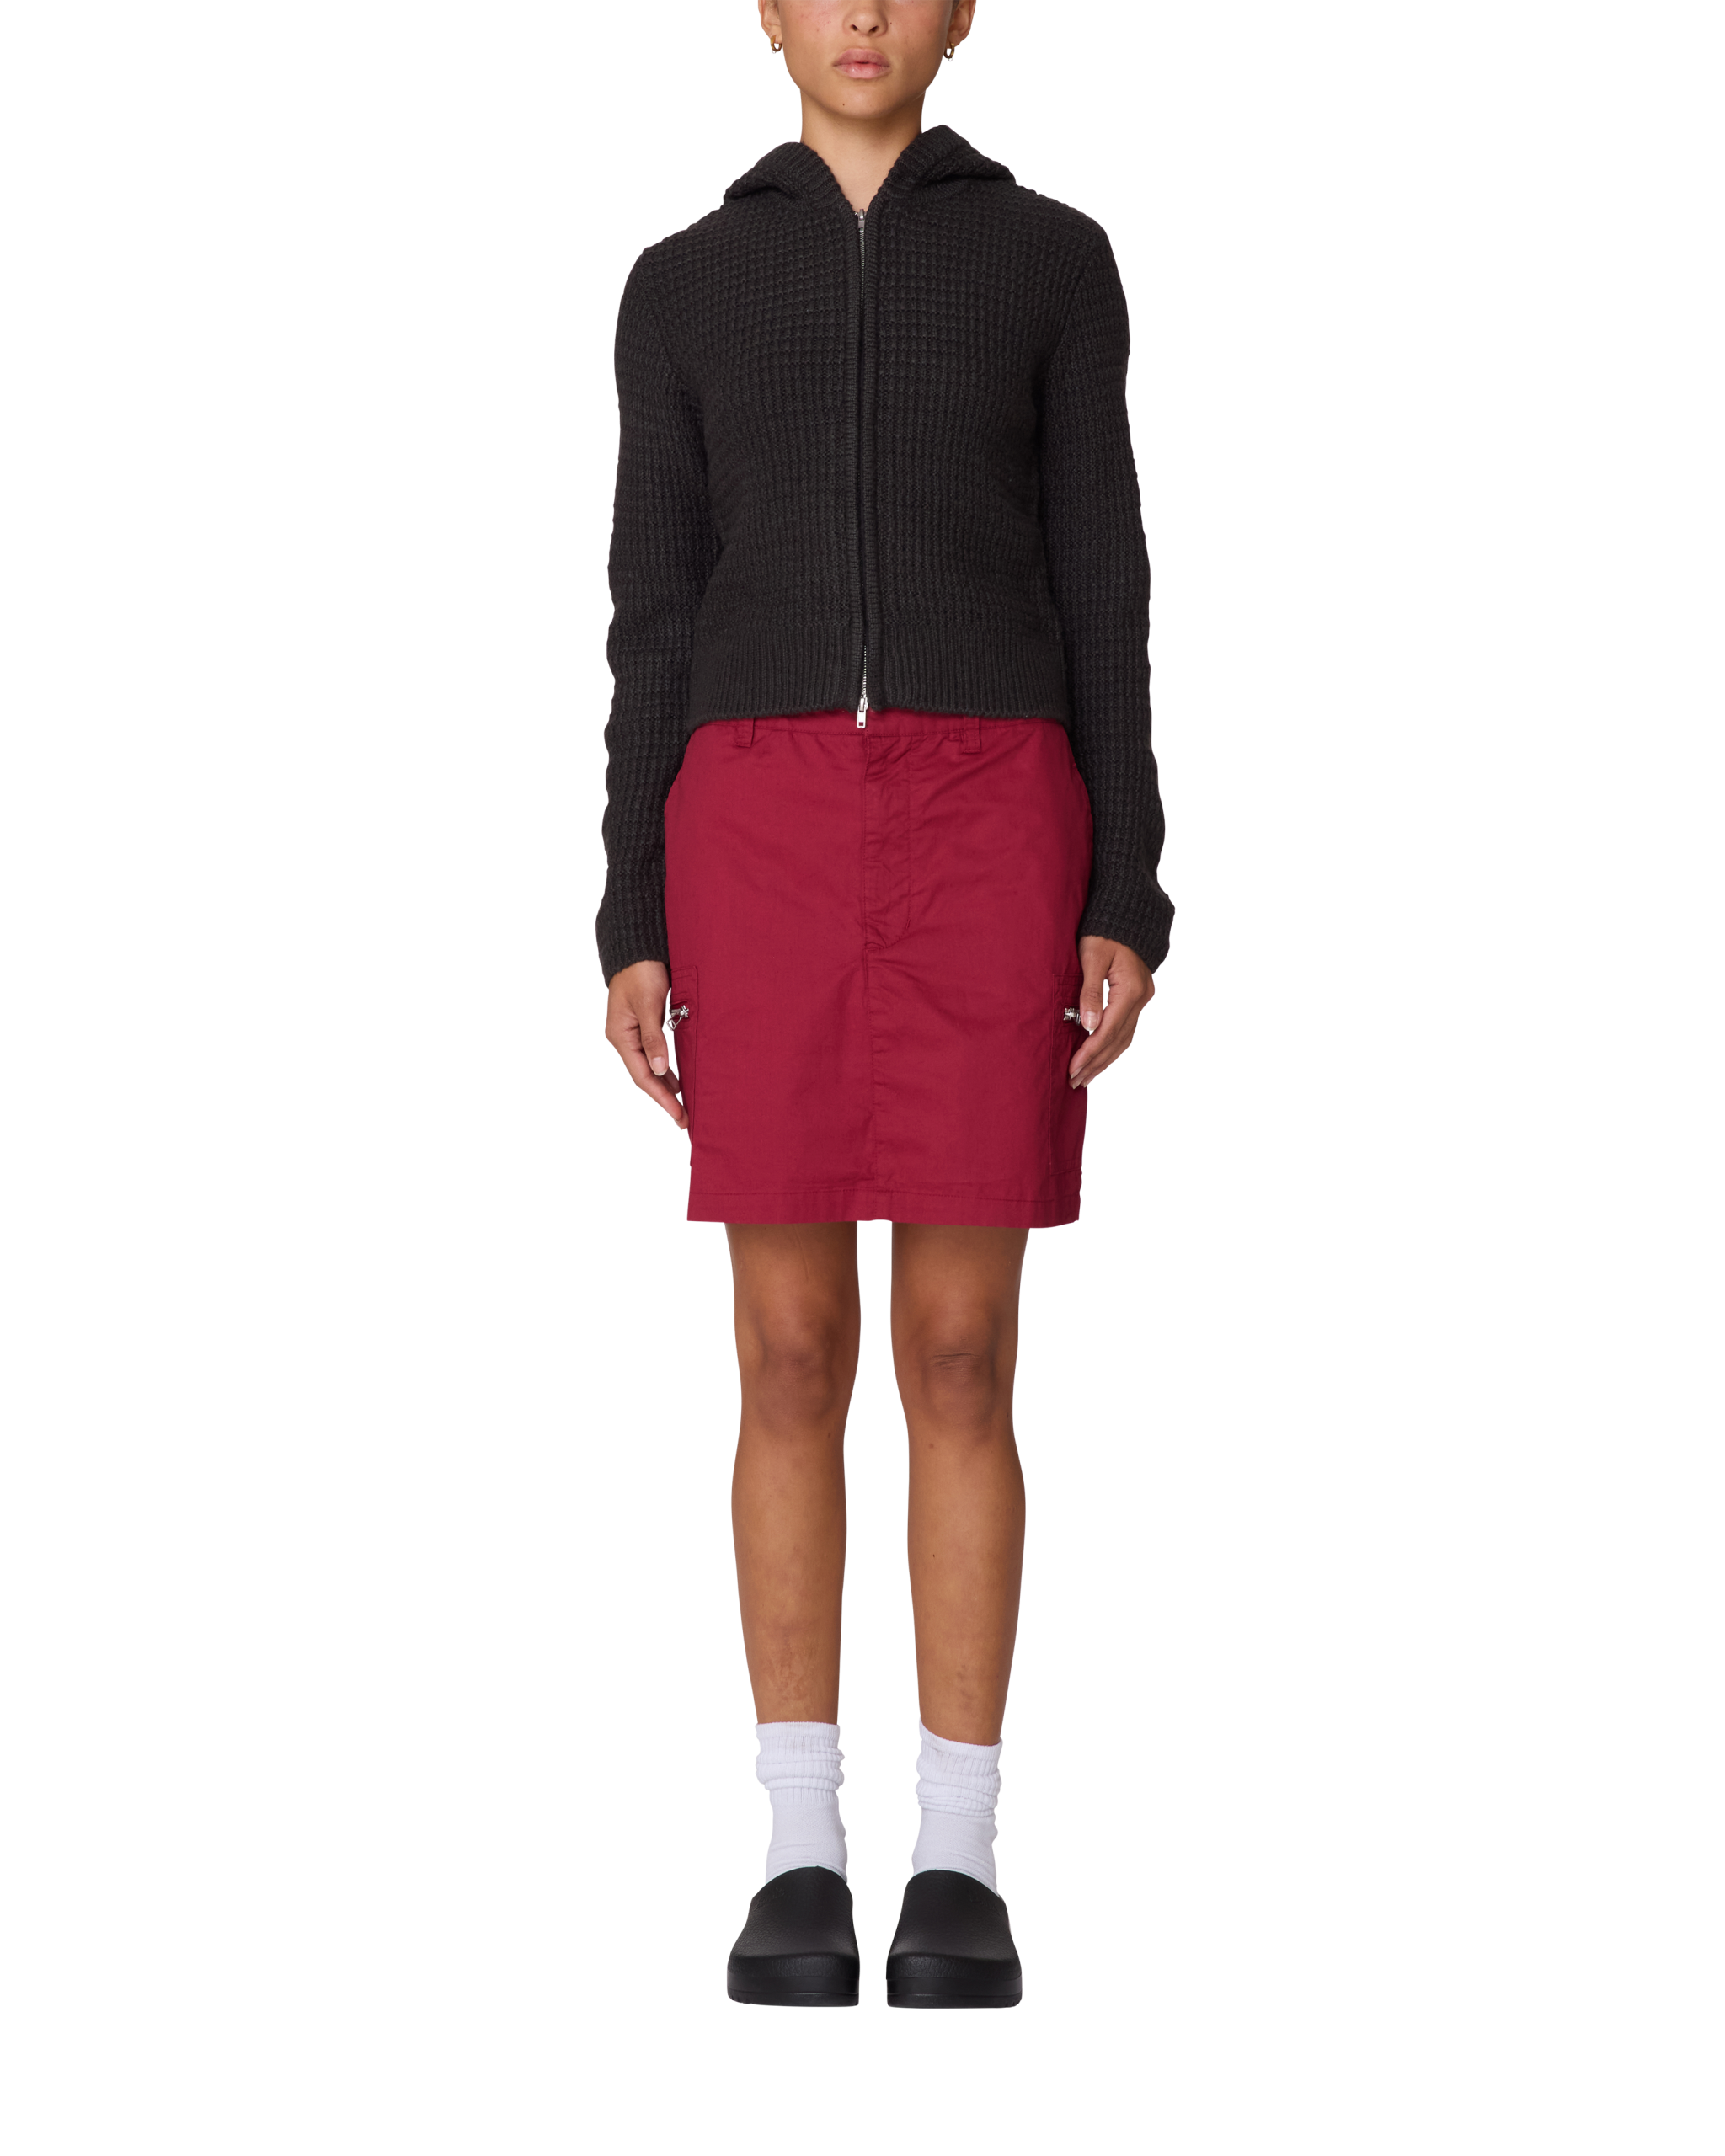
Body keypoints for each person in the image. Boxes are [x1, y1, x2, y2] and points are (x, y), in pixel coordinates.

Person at [595, 0, 1172, 2010]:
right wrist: (628, 905)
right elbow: (648, 607)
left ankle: (957, 1848)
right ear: (762, 13)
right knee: (783, 1345)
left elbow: (1109, 582)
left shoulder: (1052, 257)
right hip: (749, 820)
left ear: (963, 12)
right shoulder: (681, 281)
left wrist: (1127, 882)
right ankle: (796, 1842)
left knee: (958, 1347)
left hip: (991, 810)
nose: (862, 12)